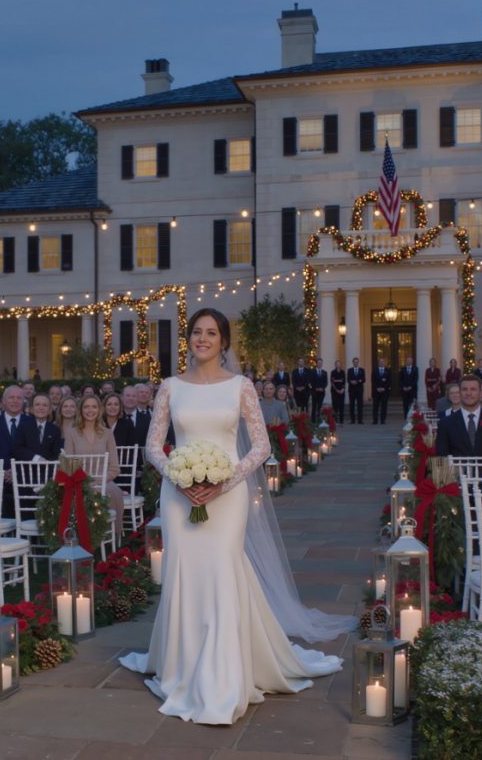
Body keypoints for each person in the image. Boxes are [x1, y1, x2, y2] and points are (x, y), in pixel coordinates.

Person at [119, 307, 353, 725]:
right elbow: (154, 446)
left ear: (224, 342)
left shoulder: (241, 386)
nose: (202, 339)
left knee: (223, 569)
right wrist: (178, 476)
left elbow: (260, 447)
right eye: (196, 332)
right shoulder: (170, 387)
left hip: (228, 496)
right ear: (188, 339)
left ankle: (224, 674)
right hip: (179, 495)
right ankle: (182, 665)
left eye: (211, 333)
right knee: (184, 573)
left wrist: (222, 484)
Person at [64, 394, 125, 535]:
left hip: (104, 480)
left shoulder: (108, 434)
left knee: (114, 492)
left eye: (94, 407)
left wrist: (102, 479)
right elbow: (68, 466)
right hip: (80, 481)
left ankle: (112, 537)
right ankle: (83, 536)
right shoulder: (72, 434)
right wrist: (83, 481)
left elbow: (115, 468)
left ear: (99, 410)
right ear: (81, 410)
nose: (90, 410)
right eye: (86, 407)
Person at [435, 375, 482, 464]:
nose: (469, 393)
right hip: (457, 476)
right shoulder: (445, 423)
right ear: (460, 392)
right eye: (465, 389)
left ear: (480, 392)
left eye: (473, 389)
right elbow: (442, 458)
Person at [0, 385, 32, 502]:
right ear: (3, 401)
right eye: (11, 397)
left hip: (25, 481)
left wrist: (17, 472)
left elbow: (34, 451)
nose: (15, 401)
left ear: (23, 401)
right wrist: (2, 472)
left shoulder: (31, 422)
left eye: (19, 398)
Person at [12, 393, 62, 462]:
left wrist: (47, 466)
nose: (41, 408)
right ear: (32, 409)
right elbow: (17, 449)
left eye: (44, 405)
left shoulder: (55, 430)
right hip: (27, 470)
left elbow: (55, 454)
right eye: (37, 404)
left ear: (50, 410)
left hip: (48, 471)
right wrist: (37, 458)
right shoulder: (23, 427)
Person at [371, 357, 392, 425]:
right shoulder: (375, 371)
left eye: (383, 362)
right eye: (380, 362)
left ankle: (383, 420)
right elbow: (373, 380)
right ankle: (375, 420)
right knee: (375, 406)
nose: (381, 363)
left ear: (384, 363)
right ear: (378, 363)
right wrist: (377, 388)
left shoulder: (388, 371)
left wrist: (384, 388)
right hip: (376, 391)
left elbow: (389, 381)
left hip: (384, 392)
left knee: (384, 406)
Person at [347, 357, 365, 424]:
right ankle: (352, 420)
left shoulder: (362, 370)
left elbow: (363, 379)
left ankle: (360, 420)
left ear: (358, 362)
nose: (355, 363)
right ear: (353, 363)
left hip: (359, 390)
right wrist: (352, 382)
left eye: (357, 362)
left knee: (360, 405)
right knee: (352, 405)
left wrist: (357, 382)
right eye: (354, 362)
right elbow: (348, 380)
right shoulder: (350, 370)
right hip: (352, 390)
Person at [311, 358, 328, 424]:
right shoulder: (313, 372)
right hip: (315, 391)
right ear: (317, 363)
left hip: (322, 392)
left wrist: (322, 388)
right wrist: (317, 388)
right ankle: (313, 420)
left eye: (321, 363)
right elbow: (312, 381)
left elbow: (325, 382)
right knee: (314, 406)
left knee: (320, 406)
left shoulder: (324, 372)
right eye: (319, 363)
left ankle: (319, 419)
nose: (320, 364)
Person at [327, 360, 344, 425]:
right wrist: (337, 390)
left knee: (341, 406)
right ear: (335, 365)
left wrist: (342, 389)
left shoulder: (343, 372)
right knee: (335, 406)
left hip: (341, 391)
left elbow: (343, 381)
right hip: (335, 391)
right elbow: (332, 382)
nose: (338, 365)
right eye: (337, 364)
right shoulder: (333, 372)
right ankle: (335, 419)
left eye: (339, 364)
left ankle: (341, 420)